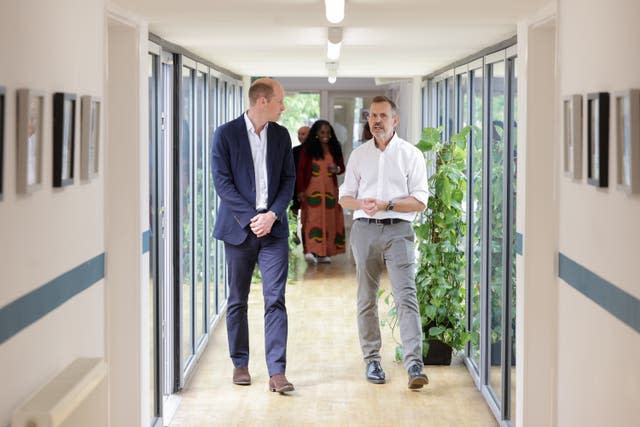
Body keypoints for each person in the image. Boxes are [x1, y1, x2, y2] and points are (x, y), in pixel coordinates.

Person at [338, 95, 430, 389]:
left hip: (398, 232)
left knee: (406, 296)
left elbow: (419, 201)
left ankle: (414, 363)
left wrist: (387, 204)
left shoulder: (411, 154)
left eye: (382, 116)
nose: (376, 121)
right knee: (366, 298)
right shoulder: (359, 155)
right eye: (372, 116)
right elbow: (345, 197)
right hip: (364, 230)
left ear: (395, 120)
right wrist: (361, 204)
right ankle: (372, 360)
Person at [211, 78, 295, 394]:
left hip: (273, 230)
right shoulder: (226, 134)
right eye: (280, 101)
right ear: (262, 101)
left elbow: (288, 180)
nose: (283, 106)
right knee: (238, 300)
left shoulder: (281, 136)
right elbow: (222, 183)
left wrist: (272, 215)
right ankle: (241, 364)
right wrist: (251, 219)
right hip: (238, 230)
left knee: (275, 298)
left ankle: (277, 372)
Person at [296, 119, 346, 264]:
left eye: (328, 132)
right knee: (312, 220)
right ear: (316, 133)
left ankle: (324, 253)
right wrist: (300, 190)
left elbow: (341, 167)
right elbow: (301, 171)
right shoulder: (308, 149)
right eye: (323, 132)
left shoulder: (334, 147)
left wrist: (336, 169)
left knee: (329, 220)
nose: (326, 135)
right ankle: (311, 250)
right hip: (311, 191)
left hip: (330, 191)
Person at [290, 125, 310, 216]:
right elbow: (292, 172)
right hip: (298, 190)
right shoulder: (295, 151)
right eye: (299, 134)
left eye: (303, 134)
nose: (300, 136)